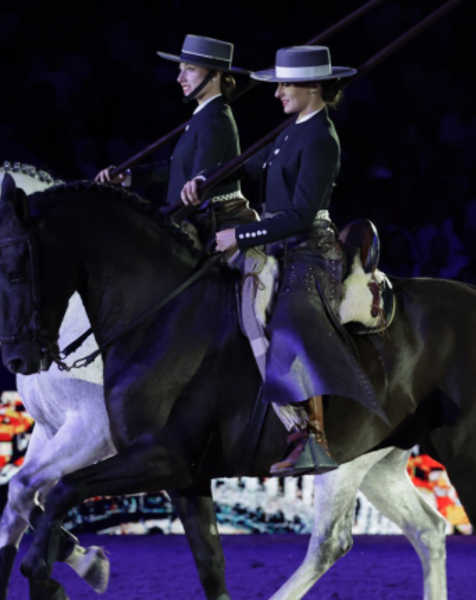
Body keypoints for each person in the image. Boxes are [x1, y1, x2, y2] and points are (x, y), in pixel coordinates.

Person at [182, 46, 377, 477]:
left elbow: (301, 216)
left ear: (312, 86)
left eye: (285, 85)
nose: (277, 94)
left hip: (311, 248)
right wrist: (206, 178)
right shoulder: (292, 130)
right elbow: (252, 165)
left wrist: (241, 234)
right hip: (280, 243)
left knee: (289, 321)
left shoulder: (322, 138)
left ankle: (311, 437)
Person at [96, 35, 257, 239]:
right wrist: (128, 176)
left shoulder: (215, 119)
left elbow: (198, 189)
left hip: (214, 219)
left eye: (189, 69)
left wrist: (160, 222)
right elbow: (178, 169)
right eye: (180, 69)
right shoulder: (204, 115)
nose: (179, 78)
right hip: (193, 214)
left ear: (215, 75)